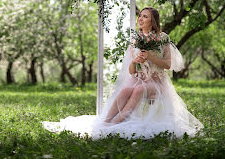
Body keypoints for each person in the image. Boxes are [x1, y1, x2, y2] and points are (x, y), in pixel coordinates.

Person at [42, 7, 204, 139]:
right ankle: (105, 122)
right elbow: (131, 71)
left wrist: (151, 57)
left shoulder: (162, 38)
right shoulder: (136, 39)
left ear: (153, 21)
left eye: (145, 17)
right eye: (140, 16)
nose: (140, 19)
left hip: (157, 82)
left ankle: (114, 125)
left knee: (140, 89)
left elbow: (168, 65)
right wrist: (135, 61)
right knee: (126, 89)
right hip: (139, 79)